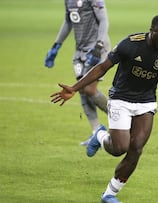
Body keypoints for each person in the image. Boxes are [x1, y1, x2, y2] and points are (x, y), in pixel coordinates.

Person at [51, 14, 158, 203]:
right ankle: (99, 135)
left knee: (136, 149)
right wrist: (75, 88)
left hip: (146, 103)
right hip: (120, 100)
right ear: (152, 31)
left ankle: (110, 194)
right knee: (119, 148)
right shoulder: (130, 44)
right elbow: (102, 68)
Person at [44, 0, 110, 139]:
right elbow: (68, 21)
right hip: (80, 50)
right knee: (81, 90)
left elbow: (104, 20)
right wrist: (57, 45)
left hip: (96, 48)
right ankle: (96, 132)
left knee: (89, 89)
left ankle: (119, 116)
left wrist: (99, 46)